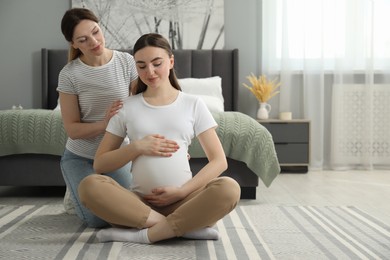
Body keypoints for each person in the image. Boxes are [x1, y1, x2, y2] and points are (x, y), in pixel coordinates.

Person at [78, 33, 241, 244]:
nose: (150, 72)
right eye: (142, 66)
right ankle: (182, 227)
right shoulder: (126, 107)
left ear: (171, 61)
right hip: (139, 206)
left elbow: (219, 161)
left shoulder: (193, 104)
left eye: (157, 63)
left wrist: (181, 191)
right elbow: (100, 164)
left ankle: (145, 235)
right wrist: (137, 147)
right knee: (89, 185)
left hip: (184, 201)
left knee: (229, 188)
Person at [57, 8, 178, 228]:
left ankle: (87, 192)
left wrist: (173, 143)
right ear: (74, 44)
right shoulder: (69, 74)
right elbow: (72, 130)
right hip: (80, 157)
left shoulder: (127, 62)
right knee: (98, 219)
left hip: (115, 154)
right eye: (83, 39)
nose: (94, 41)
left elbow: (146, 107)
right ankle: (74, 195)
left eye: (95, 31)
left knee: (137, 206)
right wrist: (105, 123)